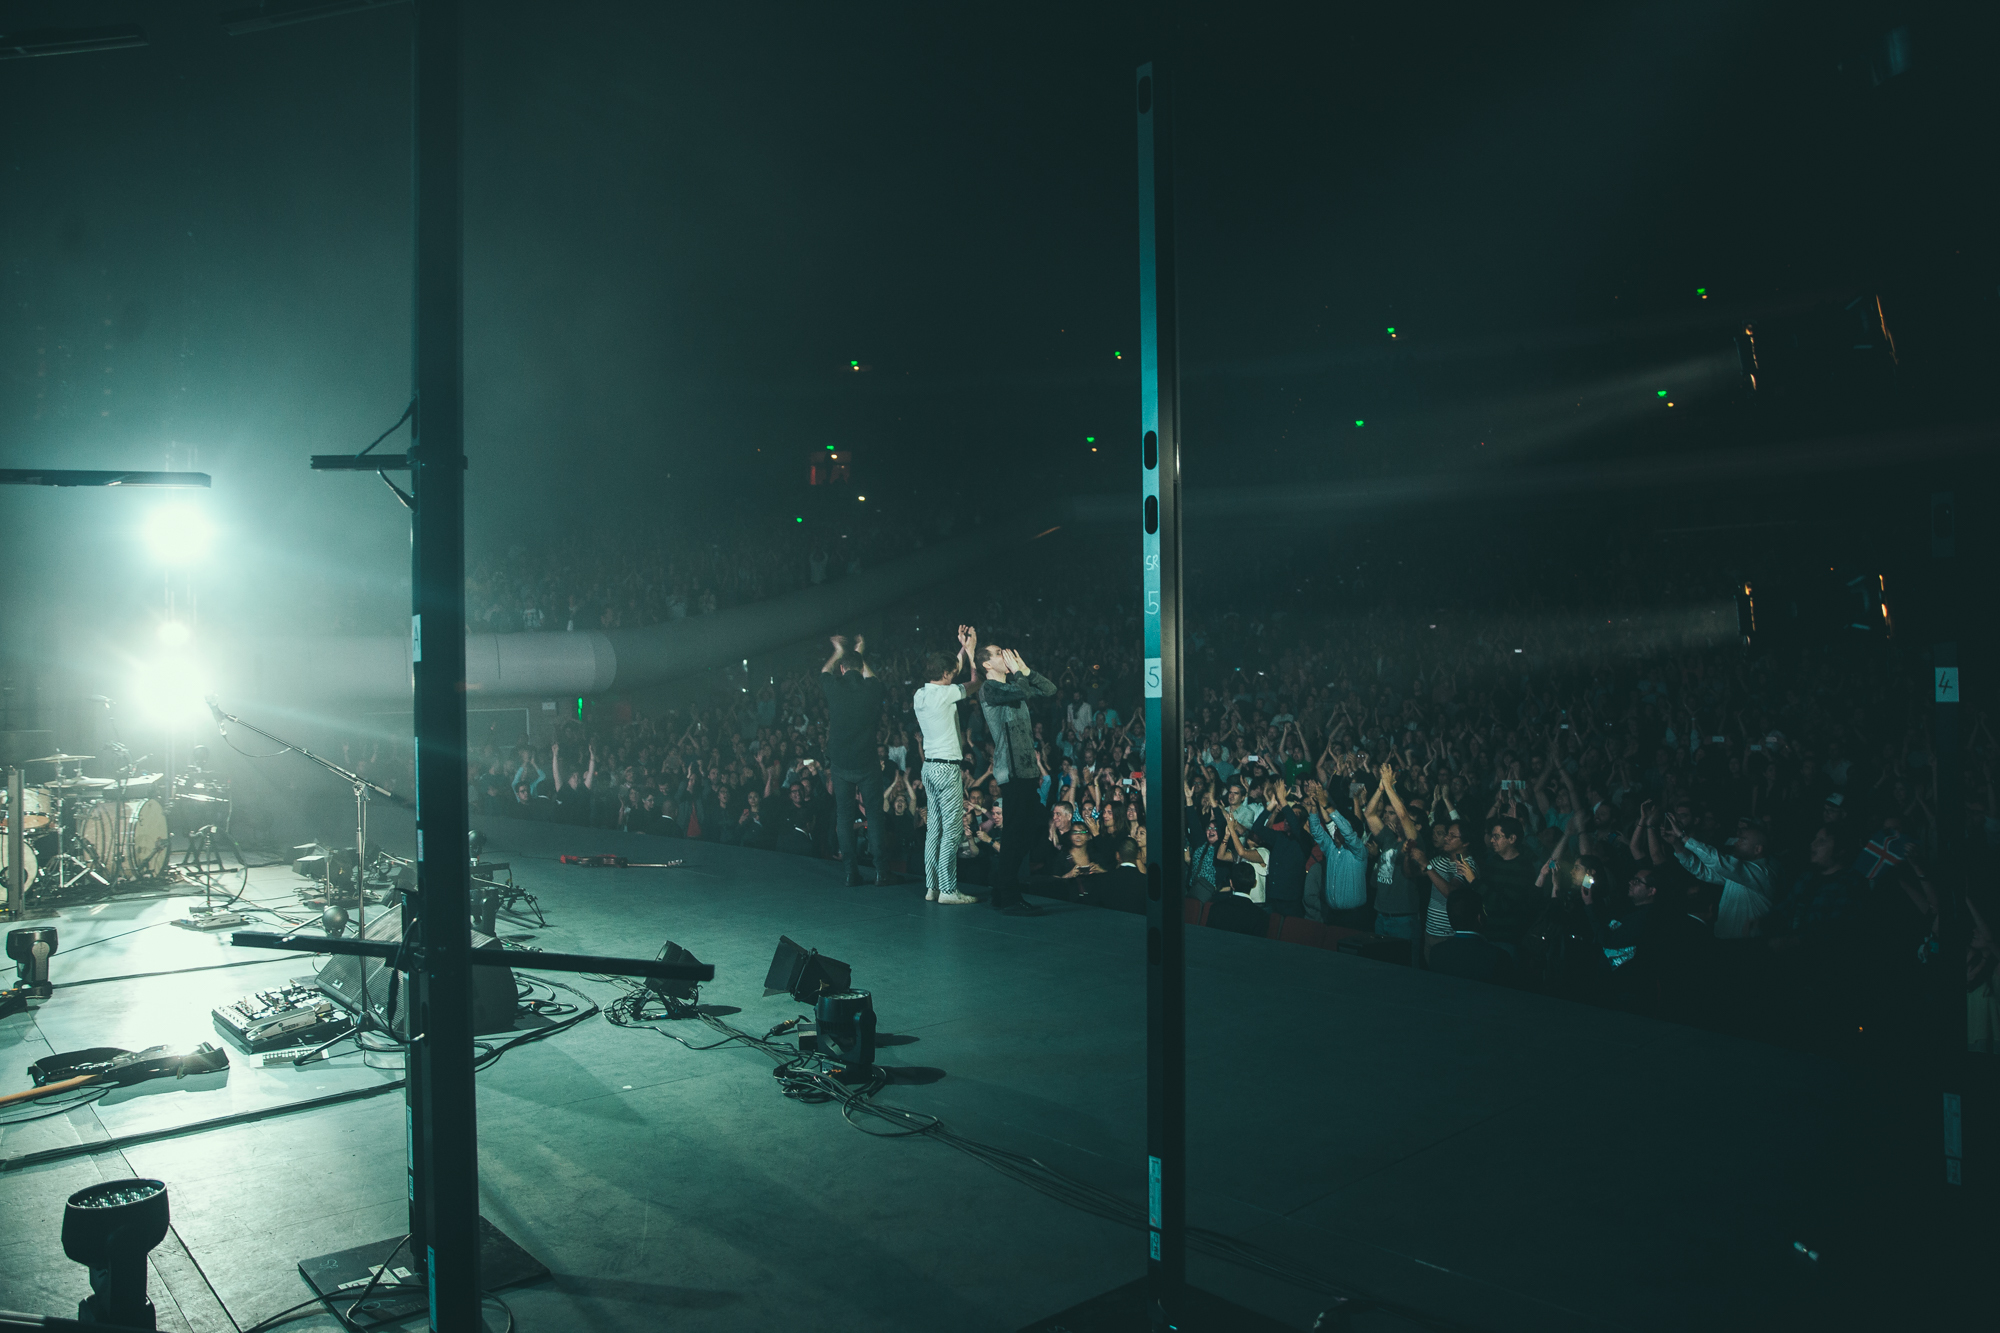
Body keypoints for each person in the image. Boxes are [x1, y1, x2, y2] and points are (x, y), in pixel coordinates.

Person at [978, 643, 1058, 916]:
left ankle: (1001, 890)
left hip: (1025, 770)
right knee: (1014, 833)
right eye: (998, 653)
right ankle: (1008, 894)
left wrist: (1024, 669)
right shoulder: (990, 688)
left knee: (1030, 824)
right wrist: (1020, 674)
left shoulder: (1013, 684)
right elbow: (1022, 690)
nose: (1006, 655)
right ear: (987, 664)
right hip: (1011, 771)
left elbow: (1050, 690)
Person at [911, 626, 983, 904]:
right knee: (952, 831)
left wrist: (963, 647)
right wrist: (974, 651)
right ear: (945, 675)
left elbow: (953, 668)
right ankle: (949, 891)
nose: (955, 673)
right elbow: (975, 681)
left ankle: (932, 888)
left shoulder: (921, 694)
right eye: (952, 672)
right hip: (946, 769)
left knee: (934, 830)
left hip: (928, 768)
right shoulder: (947, 694)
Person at [819, 634, 895, 886]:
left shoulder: (834, 687)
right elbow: (872, 677)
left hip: (841, 763)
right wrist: (860, 653)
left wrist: (839, 650)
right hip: (866, 762)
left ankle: (851, 872)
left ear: (842, 668)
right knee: (874, 816)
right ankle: (881, 872)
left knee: (844, 816)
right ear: (861, 667)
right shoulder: (871, 688)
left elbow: (824, 670)